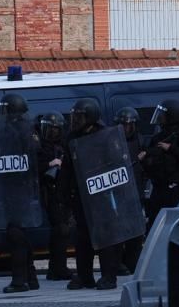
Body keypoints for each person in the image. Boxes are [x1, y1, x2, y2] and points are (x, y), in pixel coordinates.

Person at [60, 99, 123, 291]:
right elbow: (67, 168)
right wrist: (63, 195)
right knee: (82, 237)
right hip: (81, 194)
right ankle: (85, 276)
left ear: (91, 117)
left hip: (102, 193)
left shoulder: (106, 136)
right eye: (75, 117)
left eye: (79, 117)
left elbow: (117, 164)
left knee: (105, 236)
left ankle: (109, 277)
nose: (75, 121)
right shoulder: (72, 138)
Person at [0, 93, 40, 294]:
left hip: (20, 187)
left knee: (16, 234)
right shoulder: (6, 128)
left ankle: (20, 280)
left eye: (4, 108)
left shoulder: (23, 129)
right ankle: (30, 278)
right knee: (19, 234)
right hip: (10, 186)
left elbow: (31, 157)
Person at [140, 98, 179, 227]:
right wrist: (144, 159)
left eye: (162, 116)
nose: (159, 118)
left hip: (177, 192)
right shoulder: (158, 137)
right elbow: (151, 165)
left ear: (172, 117)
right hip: (158, 192)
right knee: (155, 227)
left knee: (178, 227)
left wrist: (172, 149)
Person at [36, 111, 73, 281]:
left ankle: (57, 268)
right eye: (49, 129)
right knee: (60, 229)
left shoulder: (65, 145)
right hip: (49, 191)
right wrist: (50, 164)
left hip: (64, 191)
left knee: (62, 231)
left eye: (55, 130)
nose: (52, 133)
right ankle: (58, 268)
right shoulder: (39, 146)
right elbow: (34, 167)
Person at [115, 107, 146, 274]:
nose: (127, 129)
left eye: (129, 126)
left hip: (136, 191)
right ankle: (118, 262)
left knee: (136, 231)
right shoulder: (112, 142)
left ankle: (132, 262)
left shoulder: (140, 140)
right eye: (124, 126)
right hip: (119, 193)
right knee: (119, 231)